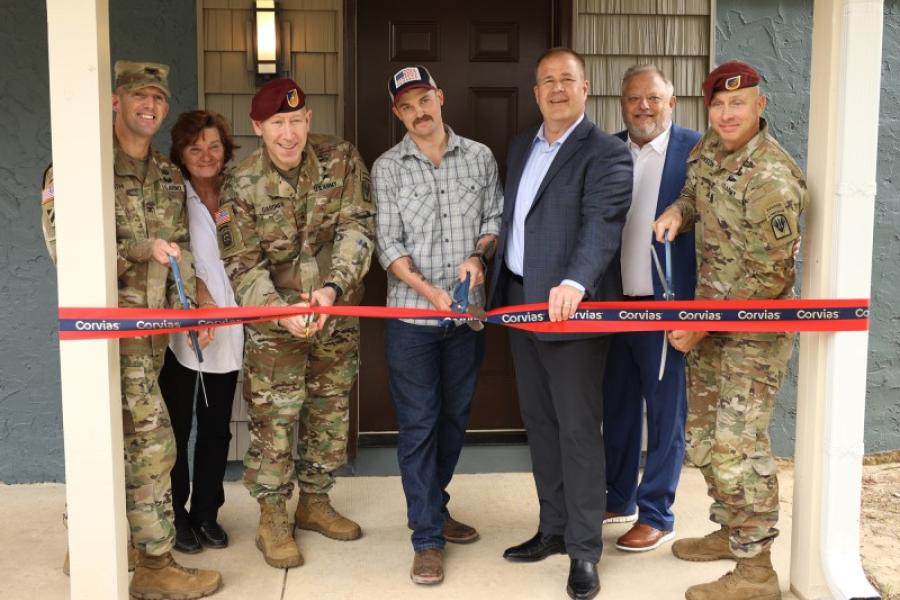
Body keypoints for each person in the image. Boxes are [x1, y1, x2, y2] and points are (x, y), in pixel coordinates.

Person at [40, 61, 222, 599]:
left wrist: (199, 304)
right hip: (99, 338)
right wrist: (137, 252)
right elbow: (66, 255)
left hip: (150, 343)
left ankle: (102, 542)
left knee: (129, 444)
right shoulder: (76, 169)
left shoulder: (168, 176)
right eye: (138, 95)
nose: (151, 105)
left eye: (159, 98)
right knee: (143, 446)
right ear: (115, 101)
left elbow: (180, 252)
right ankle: (153, 564)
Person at [652, 60, 806, 600]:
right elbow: (697, 196)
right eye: (718, 104)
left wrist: (698, 325)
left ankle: (757, 571)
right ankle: (732, 532)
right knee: (702, 440)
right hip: (710, 322)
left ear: (760, 106)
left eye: (737, 104)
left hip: (754, 333)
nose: (726, 113)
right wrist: (676, 211)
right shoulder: (709, 153)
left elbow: (770, 277)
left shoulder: (771, 179)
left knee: (736, 448)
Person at [488, 48, 632, 600]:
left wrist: (574, 282)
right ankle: (551, 528)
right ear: (534, 90)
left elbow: (603, 224)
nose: (555, 89)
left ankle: (584, 550)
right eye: (545, 81)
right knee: (541, 423)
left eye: (565, 80)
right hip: (522, 303)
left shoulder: (606, 153)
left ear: (585, 87)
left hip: (572, 308)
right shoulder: (523, 144)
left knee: (576, 430)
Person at [217, 77, 374, 569]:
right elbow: (241, 262)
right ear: (257, 127)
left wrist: (332, 290)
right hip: (273, 322)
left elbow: (357, 226)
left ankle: (315, 501)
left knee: (330, 413)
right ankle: (272, 516)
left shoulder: (341, 159)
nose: (288, 134)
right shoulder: (240, 183)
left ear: (309, 120)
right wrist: (279, 310)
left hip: (335, 310)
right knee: (275, 420)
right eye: (277, 124)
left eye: (296, 121)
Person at [372, 65, 503, 585]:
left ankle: (435, 506)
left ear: (441, 98)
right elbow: (387, 243)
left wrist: (478, 257)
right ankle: (425, 538)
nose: (419, 112)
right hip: (412, 319)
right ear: (397, 114)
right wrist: (429, 292)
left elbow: (494, 219)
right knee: (420, 425)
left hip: (467, 317)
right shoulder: (387, 167)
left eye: (425, 100)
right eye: (407, 106)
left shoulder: (479, 157)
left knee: (453, 421)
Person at [601, 65, 701, 552]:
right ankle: (618, 497)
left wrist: (695, 311)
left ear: (672, 101)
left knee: (664, 414)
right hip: (610, 305)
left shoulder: (696, 150)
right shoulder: (608, 149)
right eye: (634, 99)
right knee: (616, 406)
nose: (643, 106)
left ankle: (657, 511)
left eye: (653, 98)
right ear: (622, 104)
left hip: (665, 309)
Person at [159, 110, 244, 554]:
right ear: (181, 155)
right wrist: (200, 304)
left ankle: (207, 512)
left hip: (231, 325)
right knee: (178, 423)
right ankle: (177, 514)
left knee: (216, 426)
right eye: (195, 148)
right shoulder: (174, 196)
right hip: (186, 324)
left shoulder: (238, 192)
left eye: (213, 145)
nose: (206, 155)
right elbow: (178, 254)